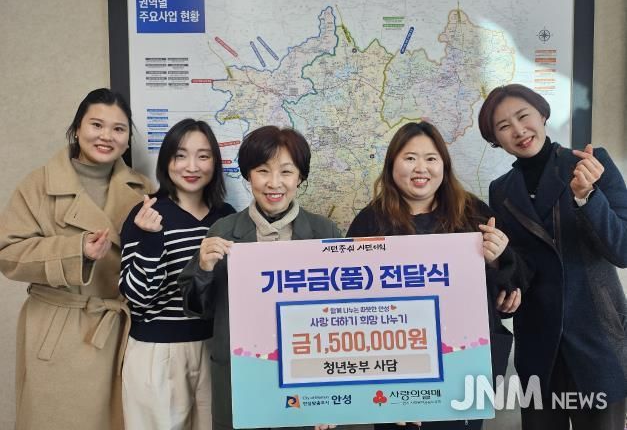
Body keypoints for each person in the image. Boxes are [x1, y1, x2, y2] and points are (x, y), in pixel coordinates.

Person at [346, 121, 527, 430]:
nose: (421, 168)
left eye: (431, 158)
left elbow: (512, 287)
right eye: (410, 158)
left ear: (444, 165)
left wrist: (499, 260)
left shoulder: (473, 213)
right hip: (393, 371)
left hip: (462, 367)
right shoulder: (369, 221)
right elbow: (348, 298)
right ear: (392, 165)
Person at [0, 88, 153, 430]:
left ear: (127, 139)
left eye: (118, 129)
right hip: (59, 331)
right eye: (96, 125)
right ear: (77, 128)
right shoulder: (39, 185)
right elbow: (7, 253)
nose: (106, 136)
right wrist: (75, 250)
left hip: (120, 333)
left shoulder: (143, 189)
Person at [478, 83, 627, 430]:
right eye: (504, 126)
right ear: (495, 139)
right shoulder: (501, 190)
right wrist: (505, 286)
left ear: (542, 114)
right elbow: (519, 265)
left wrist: (587, 197)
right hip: (538, 345)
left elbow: (622, 250)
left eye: (523, 116)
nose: (518, 130)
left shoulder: (592, 164)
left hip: (597, 339)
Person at [177, 125, 342, 430]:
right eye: (263, 171)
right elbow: (197, 309)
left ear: (300, 177)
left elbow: (344, 318)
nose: (274, 183)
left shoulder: (325, 233)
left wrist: (335, 400)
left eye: (286, 172)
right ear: (248, 175)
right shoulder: (224, 231)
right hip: (242, 380)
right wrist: (203, 268)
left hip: (307, 383)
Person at [119, 118, 236, 429]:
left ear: (215, 162)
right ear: (166, 161)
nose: (192, 166)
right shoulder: (147, 214)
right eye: (180, 155)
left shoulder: (226, 217)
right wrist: (151, 238)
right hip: (158, 351)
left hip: (214, 348)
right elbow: (137, 297)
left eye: (203, 156)